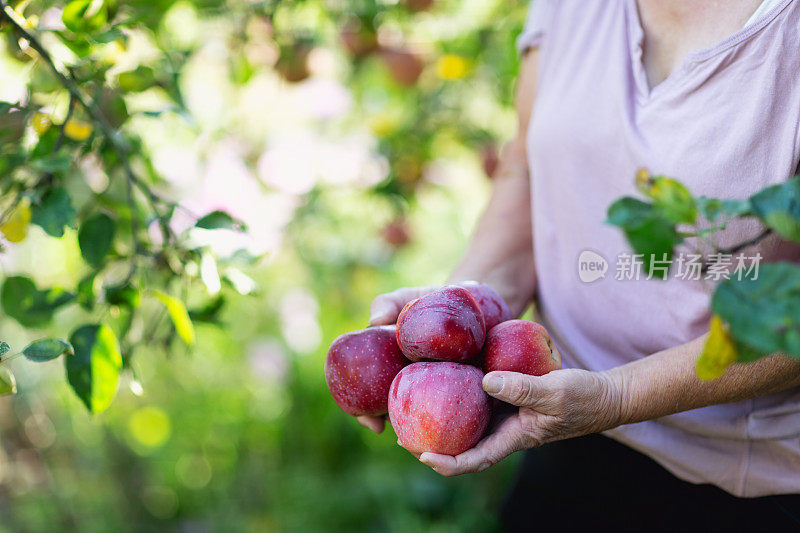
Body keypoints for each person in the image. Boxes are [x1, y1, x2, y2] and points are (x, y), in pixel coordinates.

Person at [359, 0, 800, 529]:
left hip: (745, 477)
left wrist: (617, 396)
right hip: (564, 426)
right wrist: (460, 312)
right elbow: (524, 169)